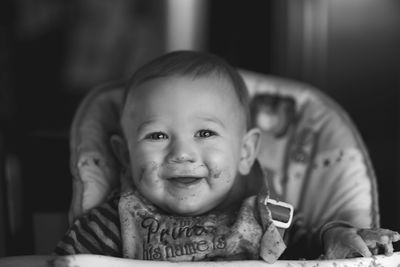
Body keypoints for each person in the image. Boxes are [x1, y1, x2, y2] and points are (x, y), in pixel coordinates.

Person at [54, 51, 399, 262]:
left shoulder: (268, 218)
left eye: (205, 133)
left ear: (245, 152)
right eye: (157, 135)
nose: (184, 152)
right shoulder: (109, 226)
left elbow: (314, 240)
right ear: (124, 156)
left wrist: (339, 238)